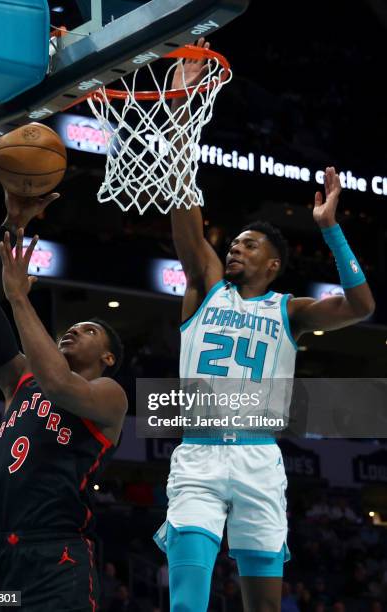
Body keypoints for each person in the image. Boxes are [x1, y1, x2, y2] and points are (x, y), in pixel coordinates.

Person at [153, 38, 375, 612]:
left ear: (272, 264)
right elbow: (184, 205)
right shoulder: (203, 286)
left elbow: (362, 307)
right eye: (235, 244)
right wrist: (180, 113)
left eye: (249, 246)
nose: (235, 251)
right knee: (187, 600)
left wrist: (331, 228)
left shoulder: (290, 310)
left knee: (264, 608)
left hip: (258, 458)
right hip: (199, 457)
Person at [0, 191, 128, 611]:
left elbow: (58, 383)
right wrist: (12, 224)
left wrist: (18, 297)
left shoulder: (110, 396)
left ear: (108, 357)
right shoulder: (21, 379)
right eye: (71, 327)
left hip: (55, 560)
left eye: (89, 330)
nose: (73, 331)